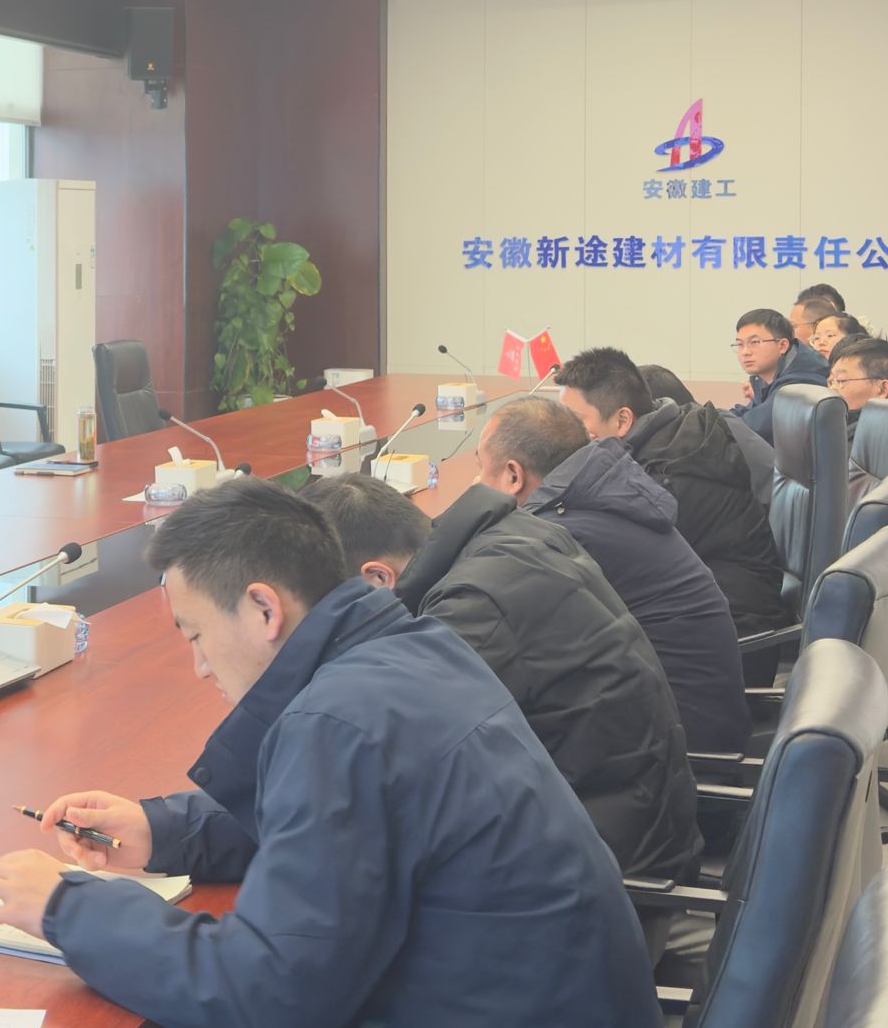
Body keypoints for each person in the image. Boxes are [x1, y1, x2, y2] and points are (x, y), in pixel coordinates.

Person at [0, 481, 664, 1028]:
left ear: (264, 609)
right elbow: (354, 824)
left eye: (196, 635)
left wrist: (66, 907)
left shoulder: (338, 723)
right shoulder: (409, 651)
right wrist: (165, 829)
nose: (199, 666)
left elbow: (264, 998)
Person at [308, 472, 704, 887]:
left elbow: (385, 765)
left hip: (614, 873)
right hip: (638, 825)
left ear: (377, 578)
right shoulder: (510, 536)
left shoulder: (472, 609)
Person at [477, 399, 750, 754]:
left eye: (481, 470)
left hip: (679, 753)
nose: (477, 484)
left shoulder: (560, 535)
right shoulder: (599, 498)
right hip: (690, 722)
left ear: (513, 476)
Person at [555, 347, 785, 648]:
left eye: (575, 421)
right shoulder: (665, 438)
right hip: (703, 615)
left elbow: (616, 564)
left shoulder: (669, 470)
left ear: (623, 420)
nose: (566, 433)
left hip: (728, 634)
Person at [825, 334, 888, 502]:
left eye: (841, 380)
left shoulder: (866, 440)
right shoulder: (850, 424)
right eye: (831, 381)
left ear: (882, 389)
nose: (832, 389)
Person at [726, 306, 828, 442]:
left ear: (782, 346)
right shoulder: (765, 377)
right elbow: (749, 412)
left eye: (754, 342)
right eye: (740, 344)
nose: (745, 352)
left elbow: (756, 426)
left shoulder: (802, 379)